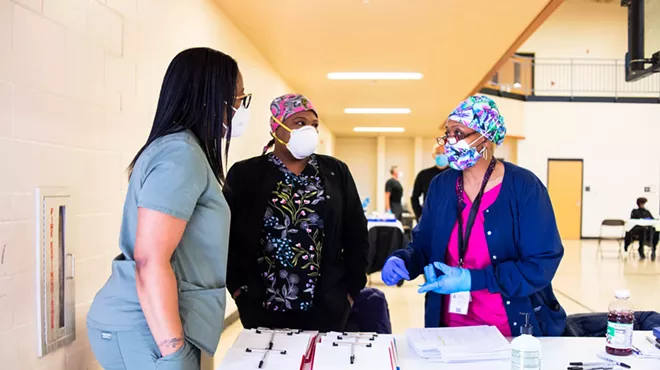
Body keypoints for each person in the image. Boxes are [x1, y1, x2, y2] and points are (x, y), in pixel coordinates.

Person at [86, 48, 248, 370]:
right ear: (211, 98)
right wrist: (173, 352)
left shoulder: (184, 151)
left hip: (158, 325)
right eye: (238, 99)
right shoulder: (180, 155)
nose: (240, 109)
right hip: (148, 330)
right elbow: (150, 260)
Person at [381, 95, 566, 337]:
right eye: (447, 132)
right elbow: (425, 245)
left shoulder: (524, 187)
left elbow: (541, 263)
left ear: (486, 138)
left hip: (508, 330)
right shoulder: (441, 186)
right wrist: (404, 259)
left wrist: (473, 279)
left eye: (457, 133)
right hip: (449, 330)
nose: (448, 141)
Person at [224, 93, 369, 332]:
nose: (309, 131)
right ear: (276, 127)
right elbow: (227, 238)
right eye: (299, 123)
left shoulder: (335, 172)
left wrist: (351, 292)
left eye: (314, 125)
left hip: (327, 307)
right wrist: (239, 289)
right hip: (263, 306)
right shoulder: (245, 175)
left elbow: (356, 234)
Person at [411, 145, 449, 221]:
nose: (441, 155)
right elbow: (414, 197)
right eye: (438, 153)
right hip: (429, 218)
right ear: (433, 155)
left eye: (444, 153)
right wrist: (419, 215)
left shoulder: (457, 174)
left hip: (451, 219)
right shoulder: (423, 175)